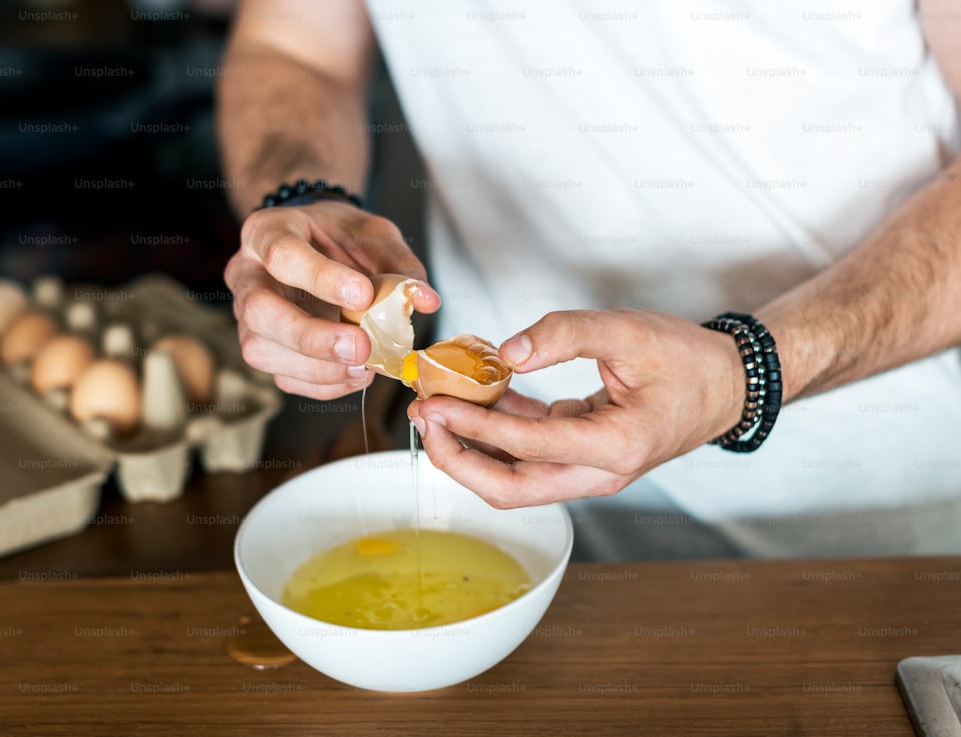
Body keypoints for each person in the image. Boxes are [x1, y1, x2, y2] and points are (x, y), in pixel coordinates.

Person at [217, 0, 961, 560]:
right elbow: (295, 50)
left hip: (870, 529)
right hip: (505, 487)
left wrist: (749, 372)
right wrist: (299, 202)